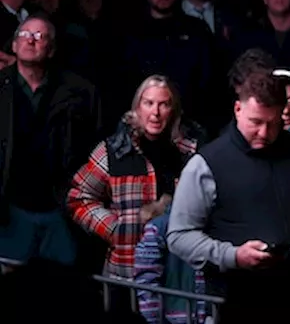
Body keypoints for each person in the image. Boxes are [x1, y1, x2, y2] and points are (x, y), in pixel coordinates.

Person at [166, 71, 290, 296]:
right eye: (256, 122)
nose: (264, 132)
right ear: (238, 109)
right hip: (239, 297)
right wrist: (233, 256)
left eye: (272, 123)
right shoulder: (207, 163)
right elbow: (179, 236)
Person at [66, 76, 202, 280]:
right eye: (148, 103)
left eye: (163, 104)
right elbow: (78, 197)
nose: (155, 113)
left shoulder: (190, 155)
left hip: (177, 274)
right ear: (137, 108)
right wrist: (114, 229)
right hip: (125, 271)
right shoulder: (114, 151)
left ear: (173, 110)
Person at [0, 14, 101, 267]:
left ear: (52, 48)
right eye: (24, 35)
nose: (31, 41)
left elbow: (96, 147)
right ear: (13, 45)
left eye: (40, 36)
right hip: (8, 207)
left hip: (60, 208)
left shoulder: (80, 91)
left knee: (60, 289)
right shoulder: (1, 88)